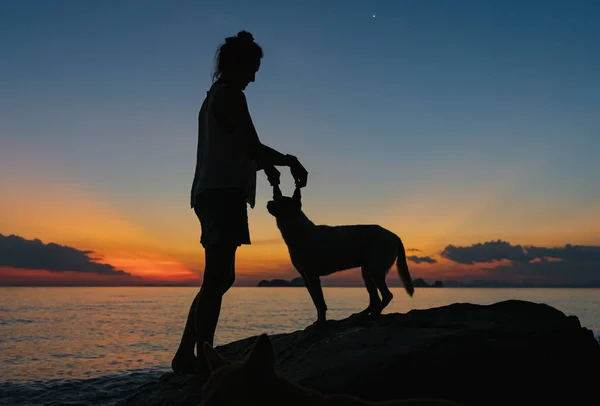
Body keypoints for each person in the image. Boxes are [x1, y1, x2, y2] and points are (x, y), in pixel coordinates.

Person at [171, 30, 308, 376]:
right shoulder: (230, 95)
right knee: (217, 278)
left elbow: (241, 146)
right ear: (238, 65)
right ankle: (202, 359)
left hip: (213, 192)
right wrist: (288, 161)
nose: (255, 76)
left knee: (218, 278)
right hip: (221, 194)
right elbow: (252, 145)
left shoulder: (214, 97)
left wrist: (266, 170)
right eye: (253, 68)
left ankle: (188, 353)